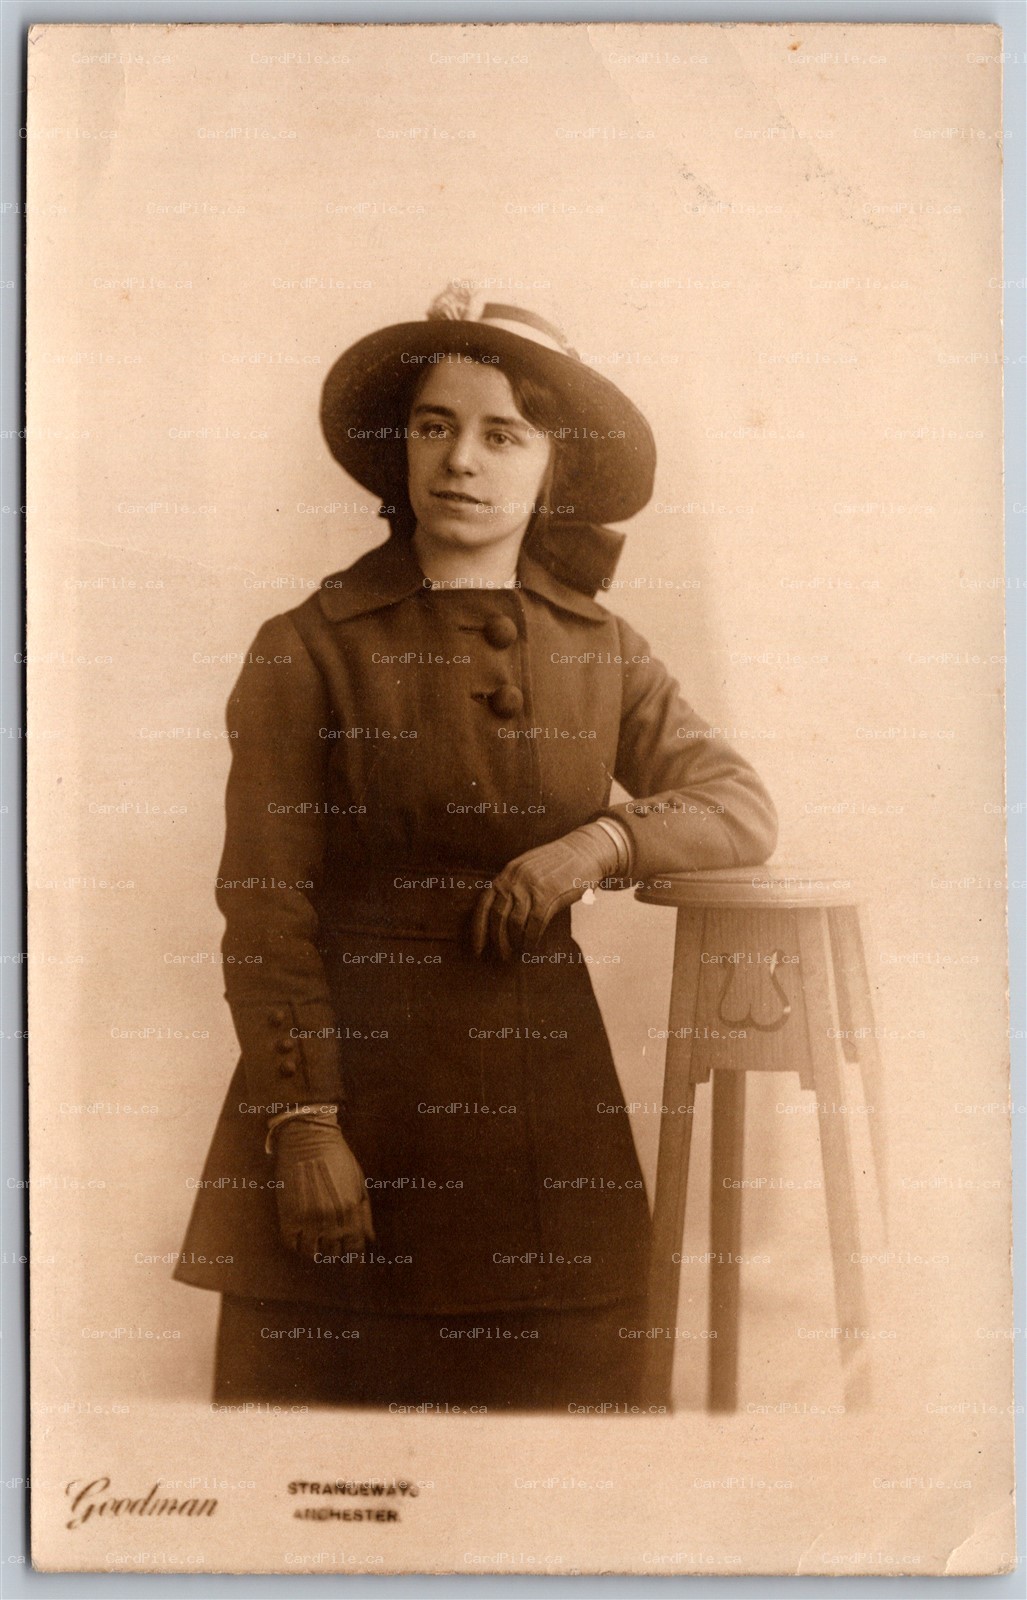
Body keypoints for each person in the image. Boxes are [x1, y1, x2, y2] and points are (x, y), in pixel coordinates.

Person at [173, 282, 778, 1411]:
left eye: (503, 434)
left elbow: (736, 803)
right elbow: (264, 906)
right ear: (399, 448)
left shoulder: (601, 649)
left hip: (545, 1133)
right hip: (355, 1114)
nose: (462, 460)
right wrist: (304, 1125)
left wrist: (597, 843)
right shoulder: (305, 650)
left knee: (565, 1480)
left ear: (554, 464)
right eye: (434, 426)